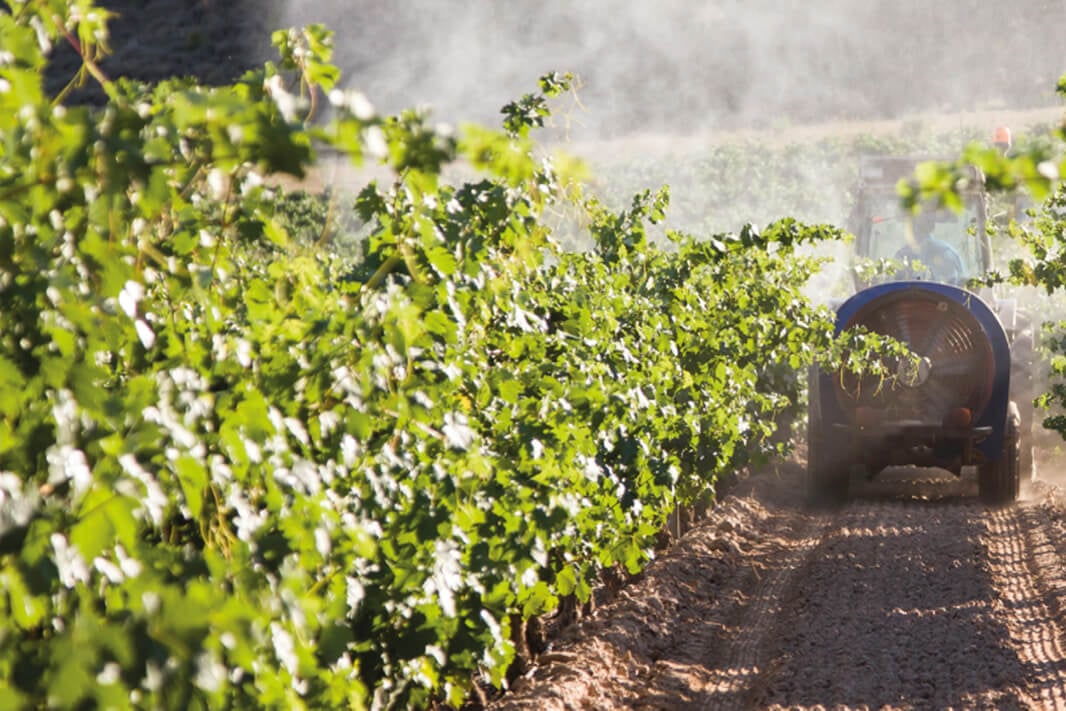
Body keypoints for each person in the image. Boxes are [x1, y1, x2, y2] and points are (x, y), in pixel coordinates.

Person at [894, 210, 964, 284]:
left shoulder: (901, 255)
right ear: (932, 226)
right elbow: (965, 286)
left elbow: (891, 285)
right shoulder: (949, 252)